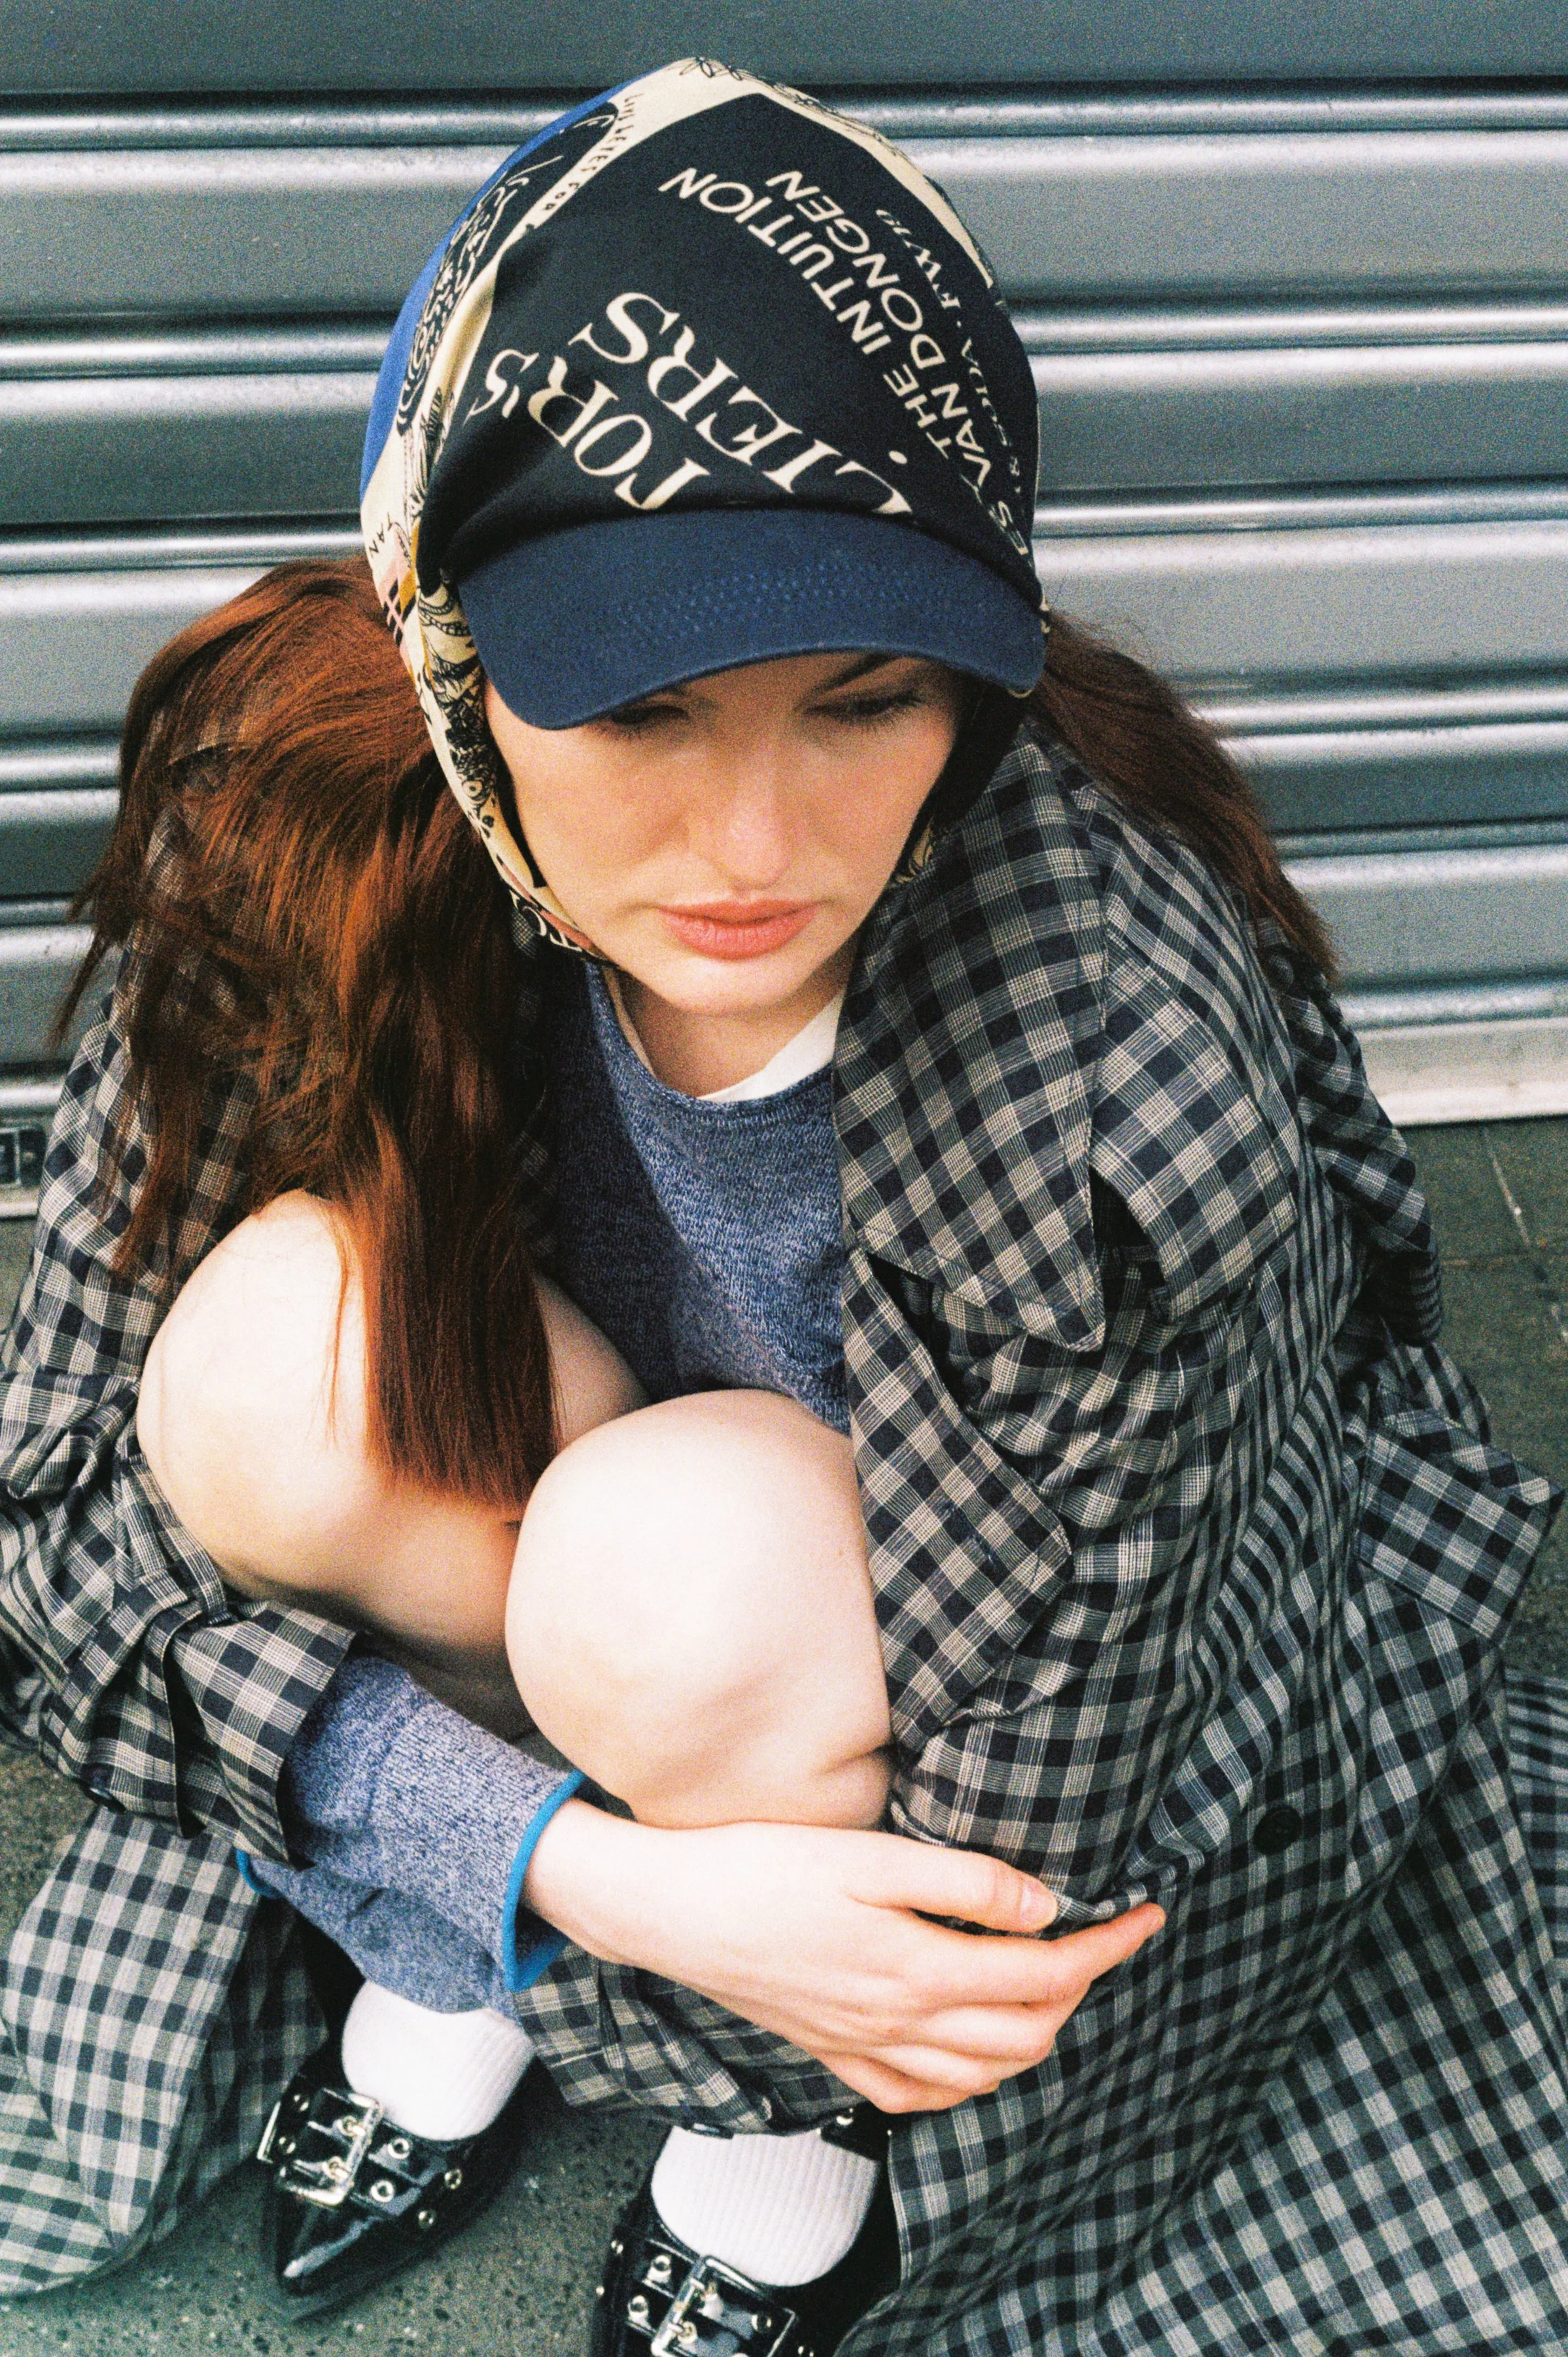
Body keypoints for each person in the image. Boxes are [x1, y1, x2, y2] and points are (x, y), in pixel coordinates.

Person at [0, 55, 1564, 2357]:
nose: (754, 845)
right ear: (450, 646)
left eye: (862, 699)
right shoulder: (299, 829)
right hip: (548, 1522)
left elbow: (1067, 1765)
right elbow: (58, 1505)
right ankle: (464, 1964)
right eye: (638, 708)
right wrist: (559, 1879)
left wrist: (791, 2003)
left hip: (892, 1613)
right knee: (254, 1377)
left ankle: (771, 2156)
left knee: (681, 1577)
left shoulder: (1118, 1048)